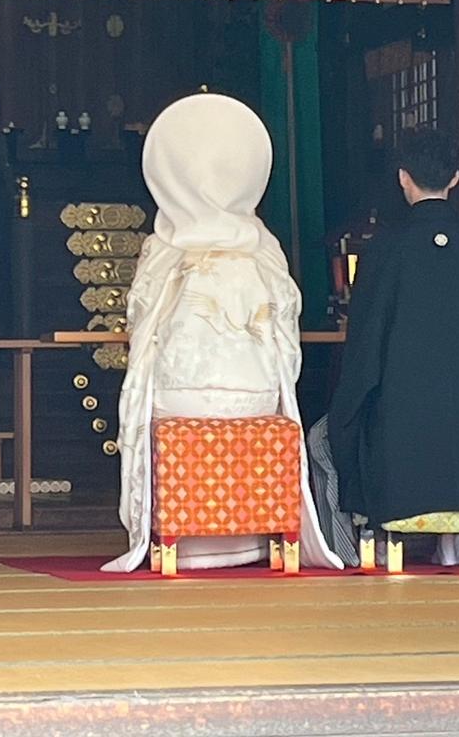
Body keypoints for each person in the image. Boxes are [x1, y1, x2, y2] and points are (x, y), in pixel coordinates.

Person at [102, 93, 342, 572]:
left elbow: (139, 319)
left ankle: (183, 540)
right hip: (252, 393)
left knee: (162, 400)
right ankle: (250, 537)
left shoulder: (165, 246)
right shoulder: (261, 245)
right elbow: (286, 319)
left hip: (181, 396)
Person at [327, 128, 459, 565]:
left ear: (403, 178)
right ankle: (454, 540)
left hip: (404, 426)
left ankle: (377, 538)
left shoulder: (385, 250)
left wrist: (349, 404)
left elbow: (365, 350)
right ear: (455, 178)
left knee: (338, 429)